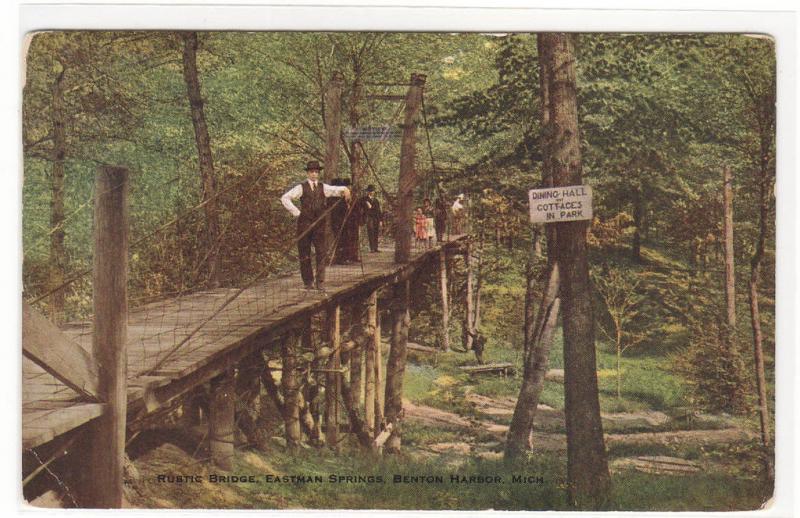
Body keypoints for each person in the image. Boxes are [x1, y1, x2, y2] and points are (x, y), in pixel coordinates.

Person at [281, 160, 351, 290]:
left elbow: (336, 190)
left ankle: (320, 281)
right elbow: (285, 198)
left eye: (316, 172)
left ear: (318, 174)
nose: (314, 174)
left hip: (319, 225)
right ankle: (308, 282)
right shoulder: (301, 187)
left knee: (321, 252)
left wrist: (346, 189)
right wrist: (297, 213)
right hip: (304, 224)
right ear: (307, 173)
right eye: (311, 172)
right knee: (304, 253)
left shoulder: (323, 187)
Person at [359, 185, 382, 252]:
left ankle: (375, 248)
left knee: (376, 232)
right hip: (369, 217)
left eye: (372, 191)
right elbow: (361, 207)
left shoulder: (376, 200)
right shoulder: (364, 199)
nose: (371, 192)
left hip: (376, 218)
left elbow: (378, 211)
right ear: (368, 191)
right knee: (370, 231)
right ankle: (372, 248)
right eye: (370, 191)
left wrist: (380, 220)